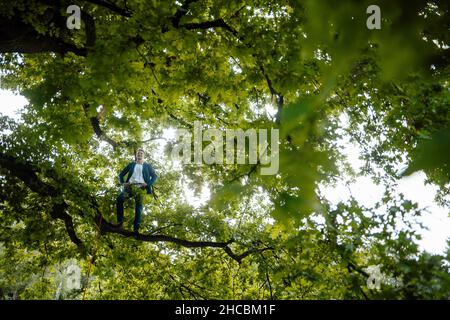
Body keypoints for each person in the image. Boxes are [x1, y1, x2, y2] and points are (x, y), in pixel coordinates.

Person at [114, 148, 157, 234]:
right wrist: (123, 183)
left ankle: (136, 229)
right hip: (130, 187)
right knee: (119, 199)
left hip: (141, 188)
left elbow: (155, 176)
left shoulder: (147, 166)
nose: (139, 154)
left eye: (141, 153)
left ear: (143, 156)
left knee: (138, 207)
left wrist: (148, 184)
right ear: (136, 155)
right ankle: (120, 222)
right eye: (138, 153)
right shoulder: (131, 164)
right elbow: (121, 175)